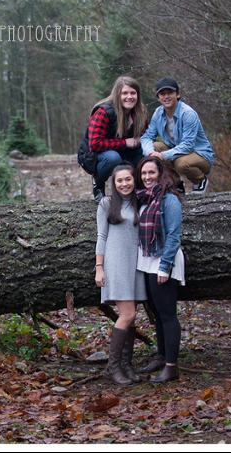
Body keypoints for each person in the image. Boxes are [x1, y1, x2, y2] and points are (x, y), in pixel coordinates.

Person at [134, 156, 185, 383]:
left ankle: (172, 367)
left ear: (160, 173)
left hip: (164, 259)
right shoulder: (145, 198)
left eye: (151, 173)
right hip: (148, 260)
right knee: (156, 313)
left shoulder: (169, 199)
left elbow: (174, 235)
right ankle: (162, 357)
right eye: (143, 173)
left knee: (167, 314)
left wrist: (165, 267)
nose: (147, 177)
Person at [94, 164, 146, 385]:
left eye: (128, 179)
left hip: (136, 265)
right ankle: (112, 367)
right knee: (127, 314)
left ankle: (126, 365)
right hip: (116, 264)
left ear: (135, 180)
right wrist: (99, 267)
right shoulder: (107, 203)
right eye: (119, 181)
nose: (124, 184)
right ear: (113, 184)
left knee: (132, 315)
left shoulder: (140, 202)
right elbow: (101, 236)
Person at [141, 77, 214, 194]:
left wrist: (162, 156)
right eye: (162, 94)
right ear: (158, 98)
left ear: (178, 94)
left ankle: (200, 180)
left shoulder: (188, 114)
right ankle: (176, 184)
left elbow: (188, 145)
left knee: (181, 164)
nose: (166, 96)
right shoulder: (158, 113)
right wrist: (150, 154)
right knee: (155, 146)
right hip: (177, 153)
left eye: (170, 92)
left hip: (200, 155)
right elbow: (147, 136)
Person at [85, 76, 150, 204]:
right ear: (117, 94)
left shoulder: (141, 111)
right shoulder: (103, 112)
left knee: (146, 157)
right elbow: (94, 144)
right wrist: (125, 143)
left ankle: (140, 190)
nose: (129, 97)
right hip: (99, 154)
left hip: (128, 151)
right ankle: (98, 183)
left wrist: (141, 139)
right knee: (113, 159)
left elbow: (147, 134)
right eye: (124, 93)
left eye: (133, 93)